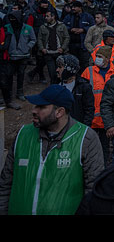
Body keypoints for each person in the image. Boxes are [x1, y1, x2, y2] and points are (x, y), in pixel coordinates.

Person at [0, 84, 104, 215]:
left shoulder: (86, 138)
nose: (34, 110)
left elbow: (94, 191)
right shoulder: (23, 134)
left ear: (59, 112)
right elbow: (5, 183)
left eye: (41, 107)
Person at [82, 45, 114, 167]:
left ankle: (103, 168)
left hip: (107, 120)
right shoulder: (88, 71)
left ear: (107, 58)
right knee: (89, 147)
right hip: (92, 118)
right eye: (96, 56)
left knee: (105, 147)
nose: (97, 59)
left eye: (100, 56)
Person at [4, 9, 37, 101]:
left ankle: (20, 92)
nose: (12, 20)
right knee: (9, 75)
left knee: (21, 74)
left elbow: (33, 39)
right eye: (11, 18)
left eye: (14, 18)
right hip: (10, 56)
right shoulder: (7, 27)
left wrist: (27, 47)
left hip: (24, 56)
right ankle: (9, 93)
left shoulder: (28, 28)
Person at [55, 54, 95, 126]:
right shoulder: (56, 87)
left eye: (60, 67)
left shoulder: (84, 87)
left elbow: (89, 110)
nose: (57, 70)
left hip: (78, 128)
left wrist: (83, 130)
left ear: (69, 69)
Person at [36, 7, 69, 83]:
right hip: (48, 53)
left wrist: (63, 48)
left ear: (53, 17)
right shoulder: (43, 27)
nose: (46, 18)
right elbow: (39, 39)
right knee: (52, 73)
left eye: (48, 16)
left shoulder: (62, 26)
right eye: (46, 16)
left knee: (60, 72)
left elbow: (66, 37)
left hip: (59, 53)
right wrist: (42, 49)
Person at [63, 0, 95, 74]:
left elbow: (93, 26)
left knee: (84, 64)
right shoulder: (69, 17)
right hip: (71, 45)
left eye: (75, 7)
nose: (73, 8)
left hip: (83, 45)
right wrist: (70, 29)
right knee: (73, 63)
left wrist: (83, 30)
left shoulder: (88, 16)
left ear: (80, 8)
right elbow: (63, 25)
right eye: (72, 7)